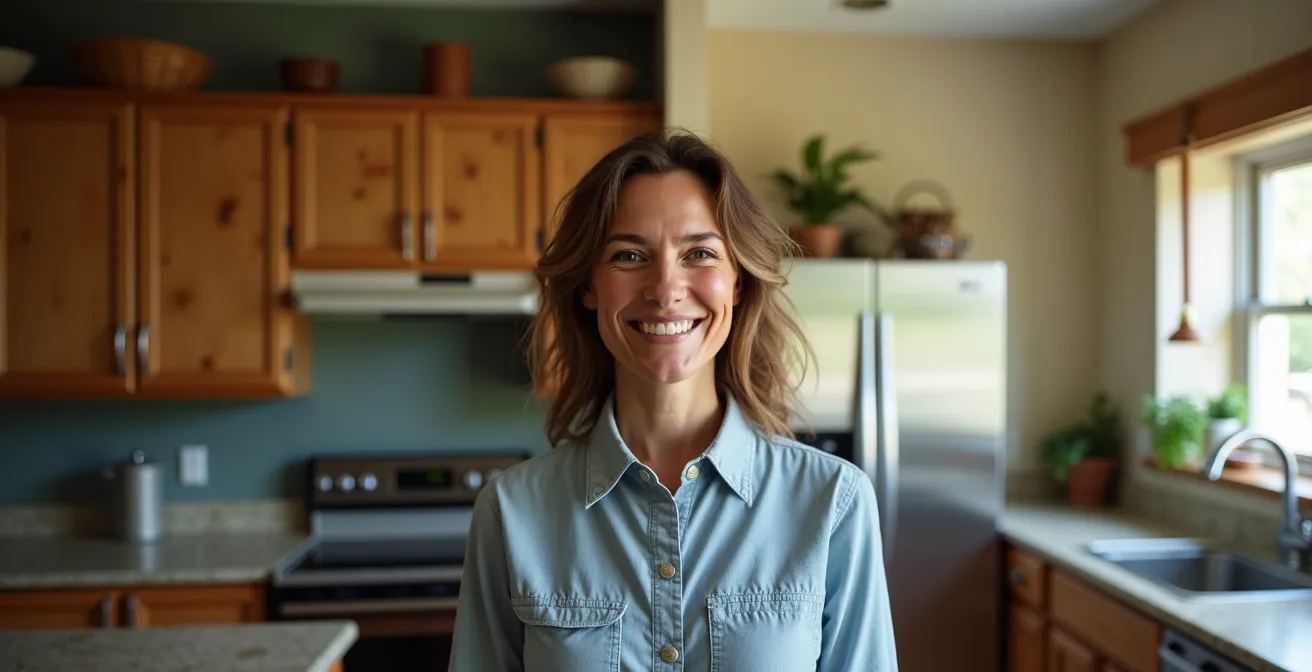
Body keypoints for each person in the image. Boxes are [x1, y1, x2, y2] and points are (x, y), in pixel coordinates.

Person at [448, 129, 897, 671]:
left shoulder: (833, 504)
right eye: (629, 254)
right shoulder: (511, 513)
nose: (665, 287)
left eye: (700, 253)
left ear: (738, 283)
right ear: (589, 286)